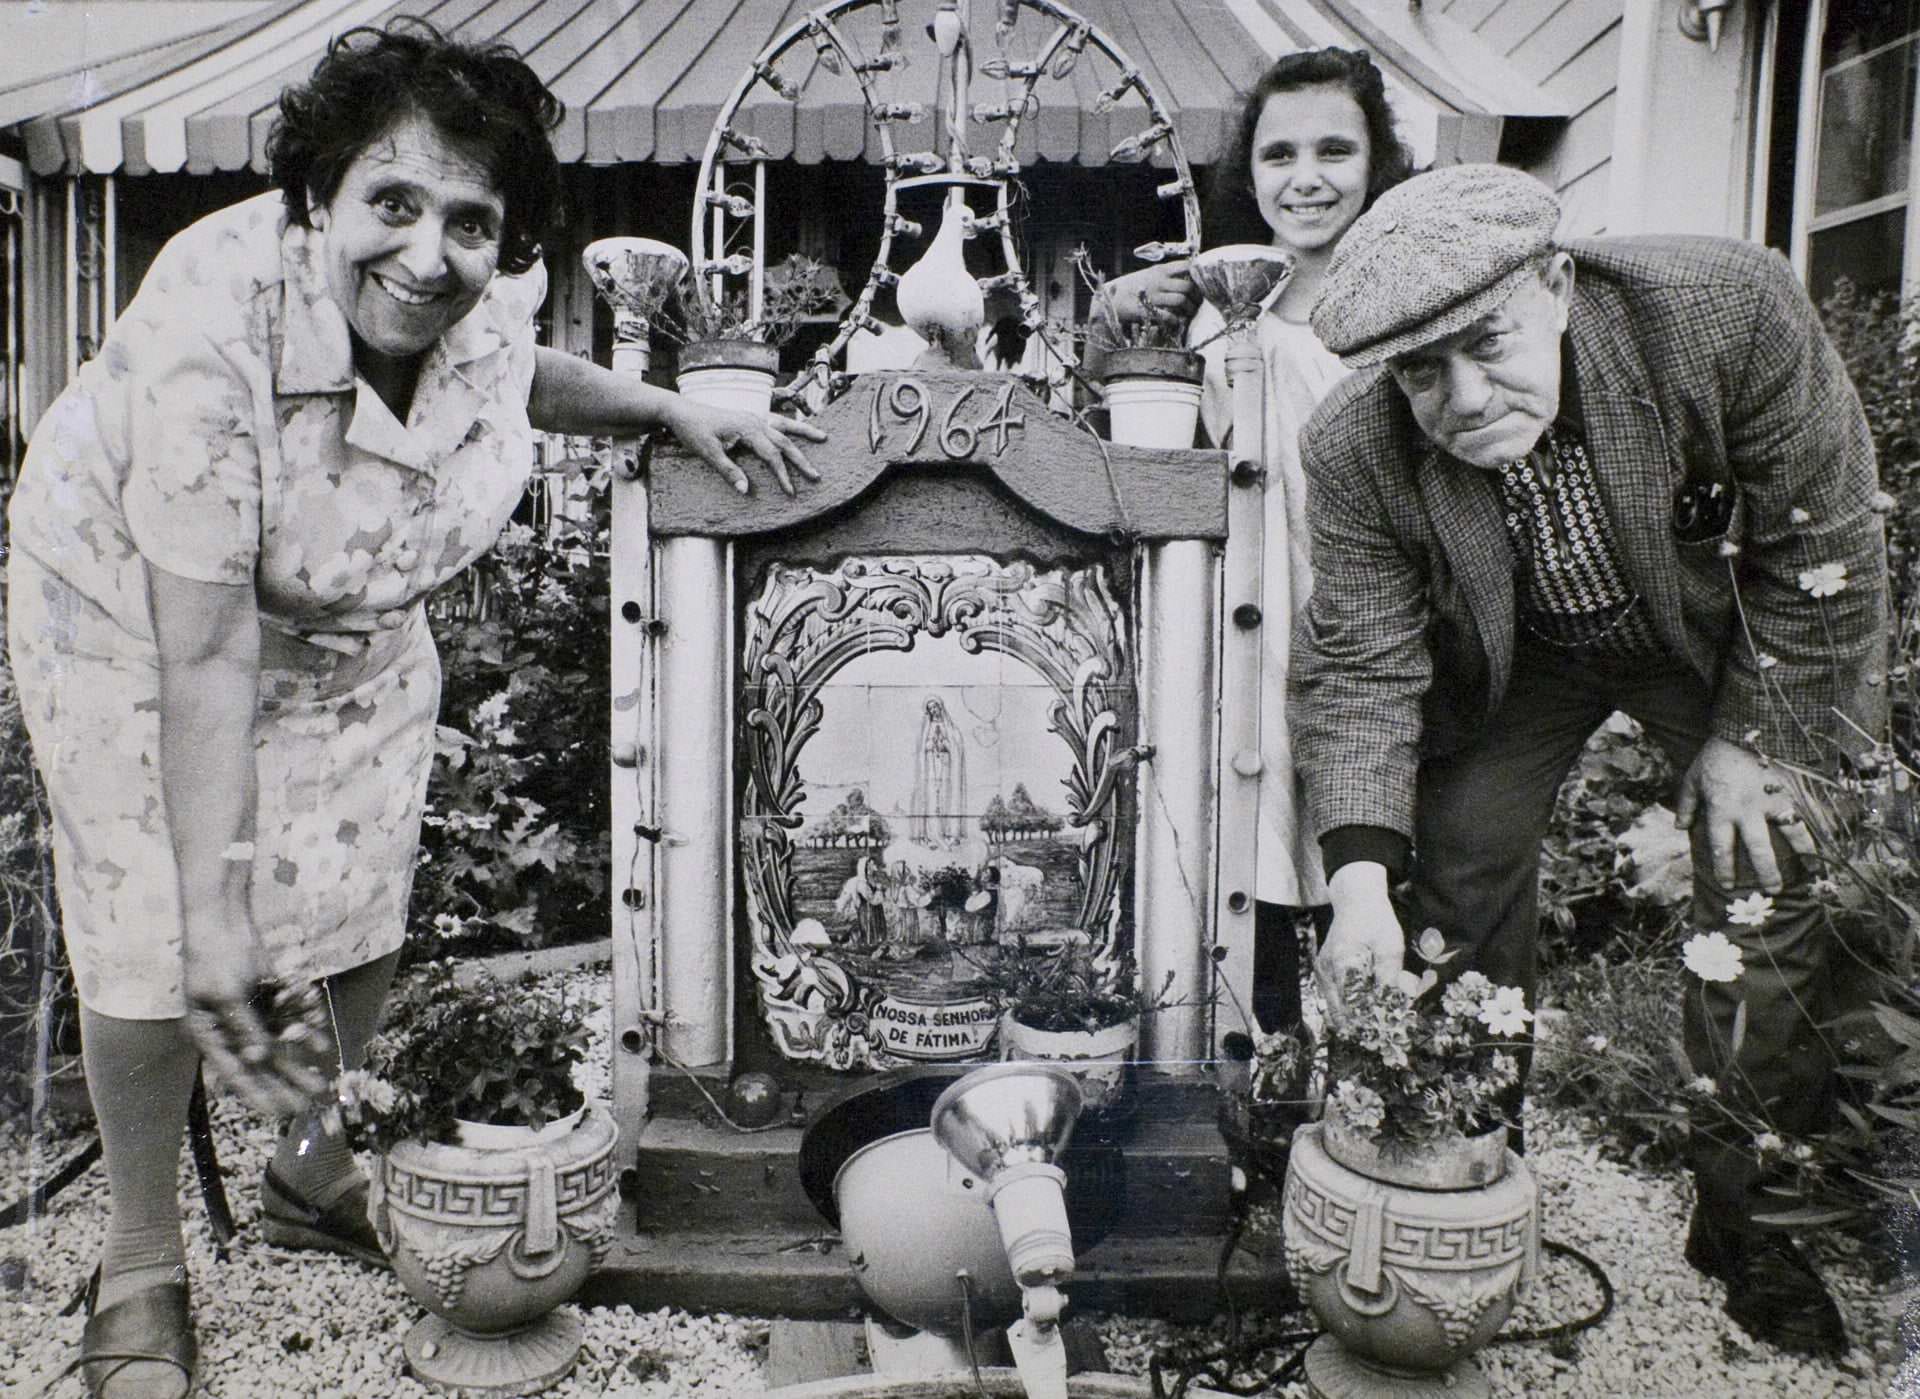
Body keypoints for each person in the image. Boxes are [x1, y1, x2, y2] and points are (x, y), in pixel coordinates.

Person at [5, 22, 821, 1397]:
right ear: (317, 198)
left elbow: (515, 373)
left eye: (470, 219)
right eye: (391, 203)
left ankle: (315, 1163)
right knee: (154, 926)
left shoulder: (489, 295)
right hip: (136, 620)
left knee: (360, 873)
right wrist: (217, 919)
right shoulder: (213, 325)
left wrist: (666, 410)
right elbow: (203, 656)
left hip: (351, 614)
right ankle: (140, 1256)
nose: (428, 253)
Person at [1294, 161, 1886, 1358]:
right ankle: (1460, 1166)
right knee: (1449, 871)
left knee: (1771, 863)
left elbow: (1828, 547)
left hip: (1722, 637)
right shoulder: (1351, 448)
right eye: (1421, 370)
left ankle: (1750, 1215)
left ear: (1557, 283)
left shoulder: (1727, 313)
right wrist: (1356, 878)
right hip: (1522, 656)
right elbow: (1361, 667)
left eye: (1488, 344)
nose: (1461, 397)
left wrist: (1749, 739)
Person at [1111, 48, 1412, 1038]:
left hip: (1371, 617)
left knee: (1366, 832)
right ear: (1251, 172)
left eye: (1335, 149)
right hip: (1248, 616)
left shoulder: (1405, 318)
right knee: (1250, 831)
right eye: (1280, 154)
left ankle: (1377, 1068)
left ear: (1377, 161)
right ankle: (1258, 1062)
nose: (1308, 177)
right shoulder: (1211, 319)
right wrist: (1120, 337)